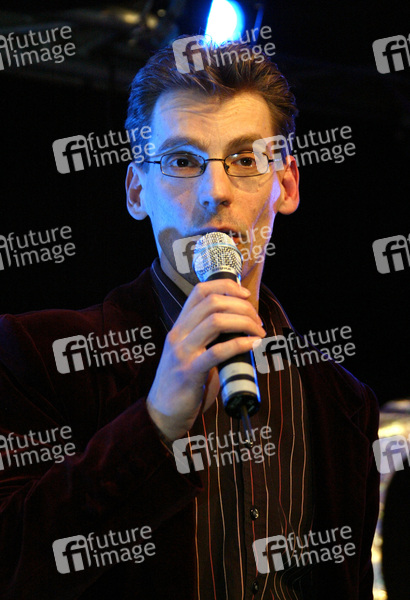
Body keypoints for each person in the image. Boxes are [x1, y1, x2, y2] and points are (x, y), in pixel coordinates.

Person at [0, 38, 379, 599]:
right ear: (137, 190)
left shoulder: (344, 401)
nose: (215, 192)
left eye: (245, 160)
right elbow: (11, 564)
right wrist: (153, 424)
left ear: (286, 185)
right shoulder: (40, 356)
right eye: (182, 161)